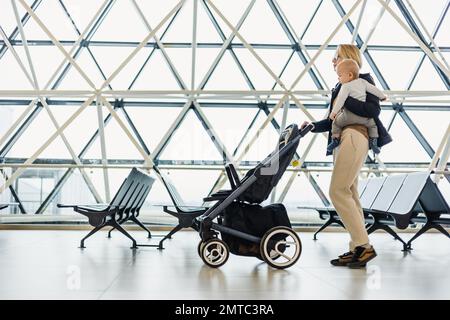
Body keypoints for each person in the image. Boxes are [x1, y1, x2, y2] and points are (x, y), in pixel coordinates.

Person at [301, 44, 392, 269]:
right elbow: (333, 119)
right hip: (344, 139)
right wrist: (312, 125)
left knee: (337, 191)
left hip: (354, 136)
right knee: (350, 193)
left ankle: (364, 245)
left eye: (337, 57)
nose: (333, 62)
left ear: (349, 59)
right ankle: (357, 249)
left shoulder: (362, 81)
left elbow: (372, 111)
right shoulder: (341, 86)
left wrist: (347, 91)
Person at [327, 58, 387, 155]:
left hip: (348, 117)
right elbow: (374, 90)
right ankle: (373, 142)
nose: (338, 78)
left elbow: (340, 101)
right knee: (373, 125)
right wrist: (382, 97)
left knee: (336, 123)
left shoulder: (345, 86)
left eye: (340, 76)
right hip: (364, 119)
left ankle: (335, 139)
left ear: (350, 75)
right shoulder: (363, 82)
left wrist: (333, 113)